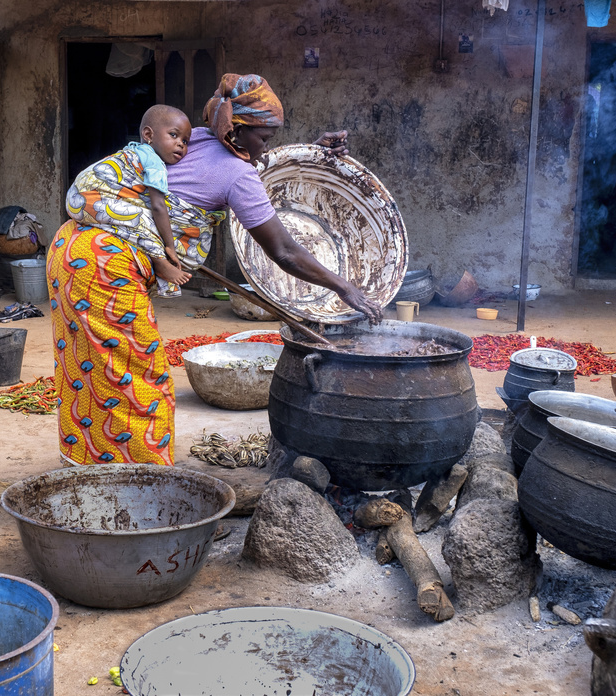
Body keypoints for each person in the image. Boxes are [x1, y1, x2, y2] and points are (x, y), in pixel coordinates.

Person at [47, 73, 383, 468]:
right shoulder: (237, 173)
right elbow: (285, 251)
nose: (266, 147)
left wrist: (312, 150)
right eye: (265, 137)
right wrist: (343, 286)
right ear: (236, 131)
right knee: (140, 379)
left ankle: (91, 468)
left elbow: (251, 161)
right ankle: (142, 481)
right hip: (105, 267)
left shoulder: (200, 138)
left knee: (89, 367)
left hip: (72, 247)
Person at [66, 104, 194, 297]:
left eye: (185, 141)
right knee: (144, 220)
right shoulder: (155, 163)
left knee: (129, 219)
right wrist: (170, 246)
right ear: (148, 135)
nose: (181, 144)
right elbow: (158, 206)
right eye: (174, 135)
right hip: (89, 197)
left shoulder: (135, 151)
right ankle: (160, 262)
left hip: (78, 195)